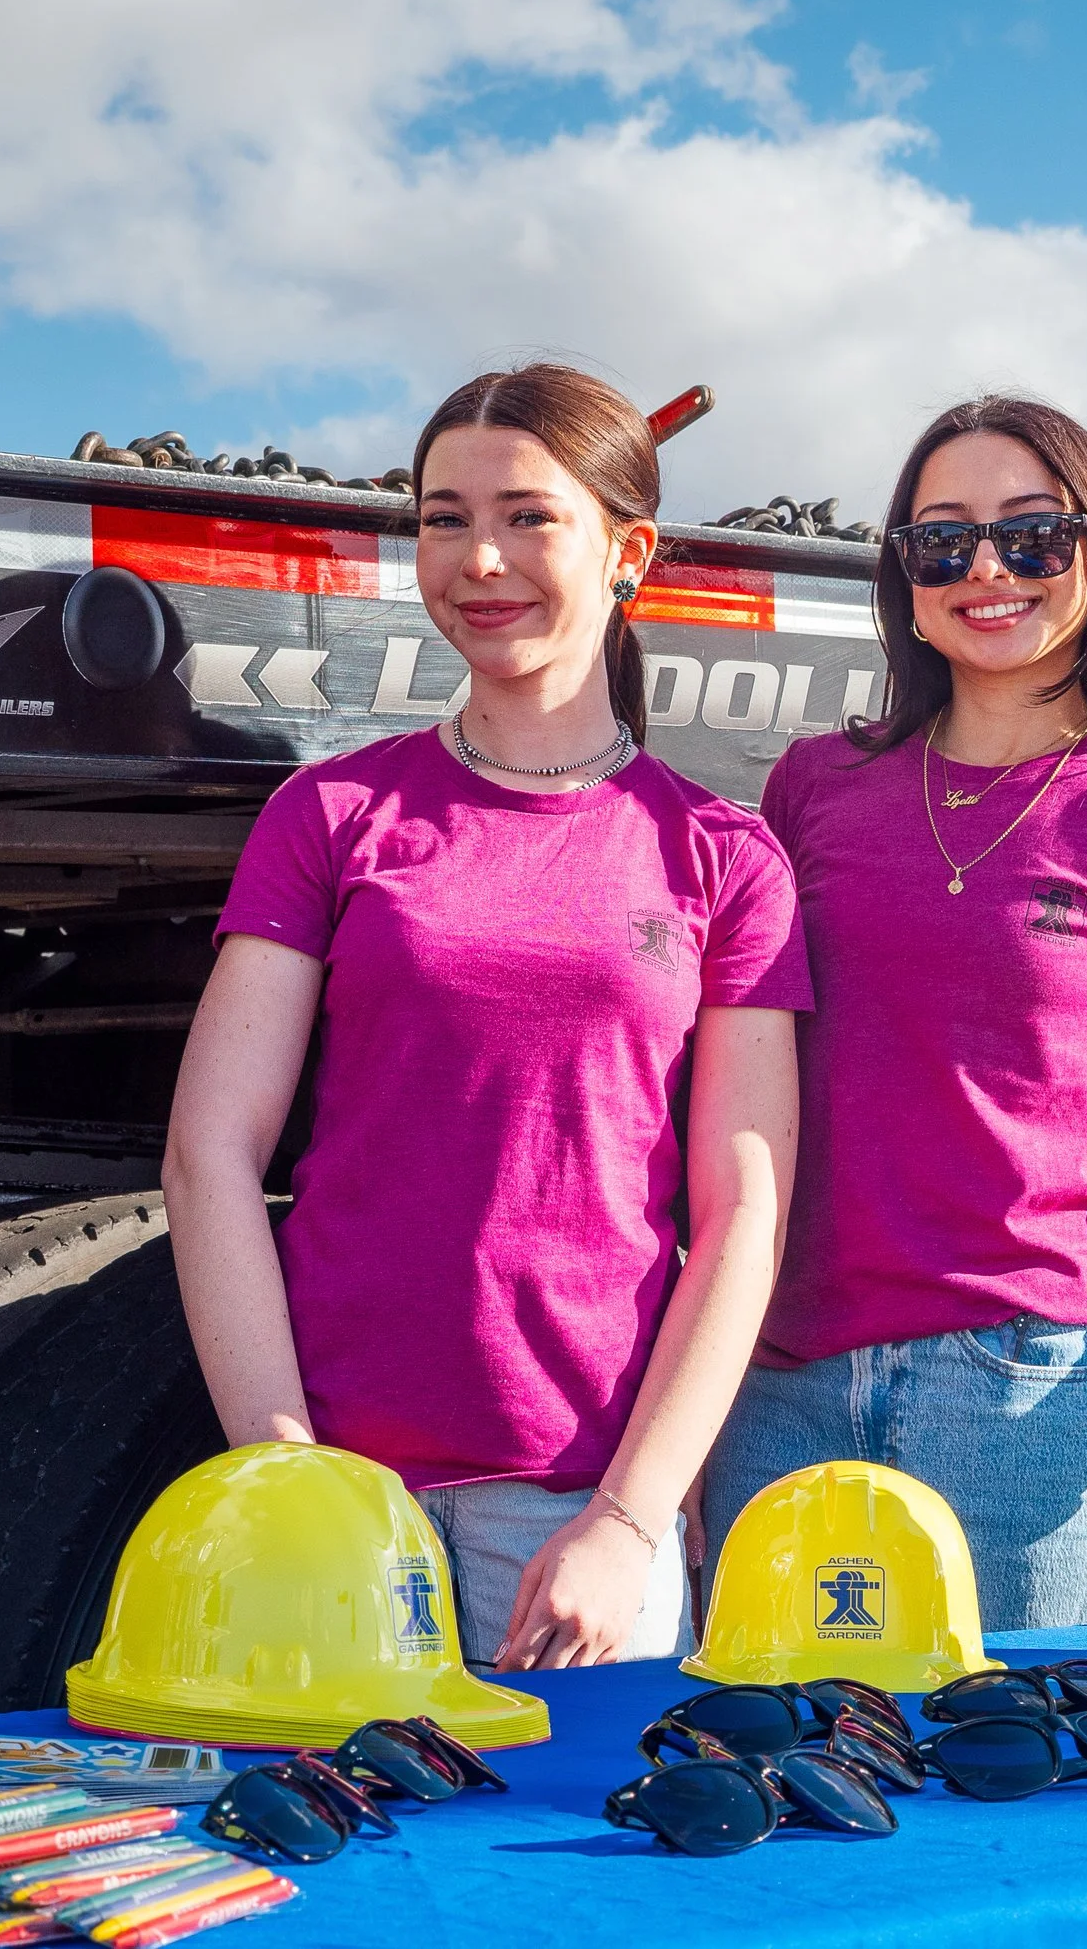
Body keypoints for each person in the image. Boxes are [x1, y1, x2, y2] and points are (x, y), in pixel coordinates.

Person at [163, 364, 811, 1670]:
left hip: (573, 1517)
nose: (480, 558)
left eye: (528, 516)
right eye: (442, 516)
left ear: (629, 552)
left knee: (574, 1874)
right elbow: (208, 1154)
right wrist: (286, 1476)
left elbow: (744, 1213)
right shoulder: (332, 819)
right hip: (341, 1507)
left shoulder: (723, 855)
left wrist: (628, 1521)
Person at [702, 395, 1087, 1628]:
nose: (984, 571)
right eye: (941, 540)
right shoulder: (815, 786)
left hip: (1033, 1390)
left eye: (1030, 537)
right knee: (775, 1779)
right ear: (902, 571)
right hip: (779, 1384)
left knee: (1037, 1790)